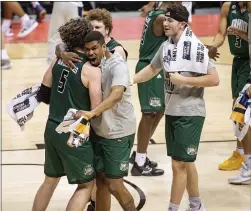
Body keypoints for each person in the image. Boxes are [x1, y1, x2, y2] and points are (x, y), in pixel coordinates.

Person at [132, 4, 219, 211]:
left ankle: (173, 208)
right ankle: (196, 205)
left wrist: (184, 80)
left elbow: (214, 79)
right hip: (173, 111)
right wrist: (129, 80)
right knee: (185, 162)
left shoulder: (195, 47)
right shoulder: (167, 46)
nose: (165, 23)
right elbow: (152, 69)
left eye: (170, 20)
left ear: (182, 24)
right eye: (165, 19)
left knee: (178, 165)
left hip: (190, 113)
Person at [32, 18, 103, 211]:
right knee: (86, 184)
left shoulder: (58, 60)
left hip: (52, 125)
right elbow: (95, 110)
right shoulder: (90, 70)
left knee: (50, 180)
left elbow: (43, 93)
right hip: (75, 128)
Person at [76, 31, 137, 211]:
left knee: (114, 185)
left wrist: (92, 113)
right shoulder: (94, 62)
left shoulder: (117, 65)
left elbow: (116, 95)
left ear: (104, 47)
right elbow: (62, 48)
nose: (90, 53)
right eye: (87, 50)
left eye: (94, 48)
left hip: (118, 131)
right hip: (100, 130)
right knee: (100, 181)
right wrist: (61, 52)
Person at [130, 2, 182, 176]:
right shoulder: (162, 18)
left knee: (159, 111)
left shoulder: (157, 13)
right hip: (149, 67)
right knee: (149, 113)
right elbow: (181, 39)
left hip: (157, 67)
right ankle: (139, 163)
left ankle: (139, 154)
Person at [207, 2, 251, 176]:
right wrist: (213, 46)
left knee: (241, 109)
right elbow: (220, 33)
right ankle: (240, 153)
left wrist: (241, 34)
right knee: (237, 108)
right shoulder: (228, 7)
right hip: (238, 62)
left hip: (248, 62)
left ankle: (243, 154)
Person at [56, 8, 128, 69]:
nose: (93, 30)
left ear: (107, 30)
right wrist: (63, 53)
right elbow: (60, 46)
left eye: (97, 27)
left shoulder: (116, 49)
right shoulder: (88, 42)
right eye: (91, 27)